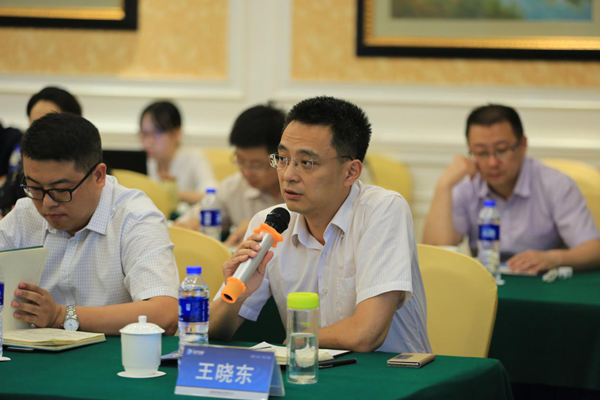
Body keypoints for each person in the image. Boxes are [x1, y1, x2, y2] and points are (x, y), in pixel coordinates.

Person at [209, 96, 431, 353]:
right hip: (306, 370)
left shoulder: (382, 210)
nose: (288, 175)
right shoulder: (269, 223)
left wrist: (299, 338)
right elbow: (212, 331)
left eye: (306, 163)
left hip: (393, 373)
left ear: (351, 172)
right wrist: (237, 295)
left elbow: (367, 334)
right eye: (282, 158)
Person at [0, 113, 179, 335]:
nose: (47, 203)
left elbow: (165, 314)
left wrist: (60, 316)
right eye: (35, 188)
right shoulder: (25, 215)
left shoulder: (134, 217)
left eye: (61, 190)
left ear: (98, 176)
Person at [423, 104, 600, 273]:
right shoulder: (466, 185)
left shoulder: (555, 184)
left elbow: (593, 249)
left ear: (523, 145)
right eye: (481, 153)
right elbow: (436, 253)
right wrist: (444, 184)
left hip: (542, 283)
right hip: (487, 283)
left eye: (501, 150)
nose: (492, 162)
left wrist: (553, 258)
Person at [176, 104, 285, 247]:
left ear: (281, 157)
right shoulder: (233, 187)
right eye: (240, 161)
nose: (246, 172)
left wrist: (257, 227)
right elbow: (194, 217)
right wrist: (190, 225)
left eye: (256, 165)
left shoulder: (302, 191)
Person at [0, 86, 83, 217]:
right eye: (34, 124)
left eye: (47, 125)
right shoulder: (21, 171)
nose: (39, 133)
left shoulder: (87, 166)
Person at [139, 100, 217, 205]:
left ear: (176, 133)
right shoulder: (144, 161)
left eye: (156, 133)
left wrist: (173, 194)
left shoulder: (194, 158)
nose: (148, 142)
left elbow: (212, 195)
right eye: (144, 134)